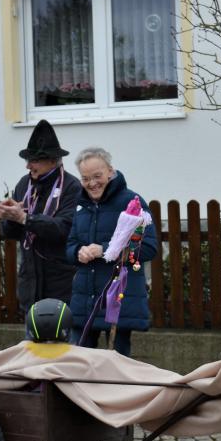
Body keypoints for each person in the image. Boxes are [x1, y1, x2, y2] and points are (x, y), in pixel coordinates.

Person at [65, 147, 158, 356]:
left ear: (110, 171)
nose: (92, 183)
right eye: (85, 178)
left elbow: (148, 248)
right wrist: (78, 252)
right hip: (85, 302)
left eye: (97, 176)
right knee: (78, 364)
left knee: (116, 367)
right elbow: (70, 246)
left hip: (118, 302)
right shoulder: (82, 206)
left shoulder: (132, 202)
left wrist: (104, 250)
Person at [0, 120, 82, 314]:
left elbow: (64, 228)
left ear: (52, 160)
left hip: (62, 287)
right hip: (30, 286)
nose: (28, 166)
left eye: (34, 160)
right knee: (32, 334)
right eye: (28, 160)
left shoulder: (71, 187)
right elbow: (10, 233)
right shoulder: (24, 184)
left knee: (62, 334)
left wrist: (25, 218)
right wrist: (9, 217)